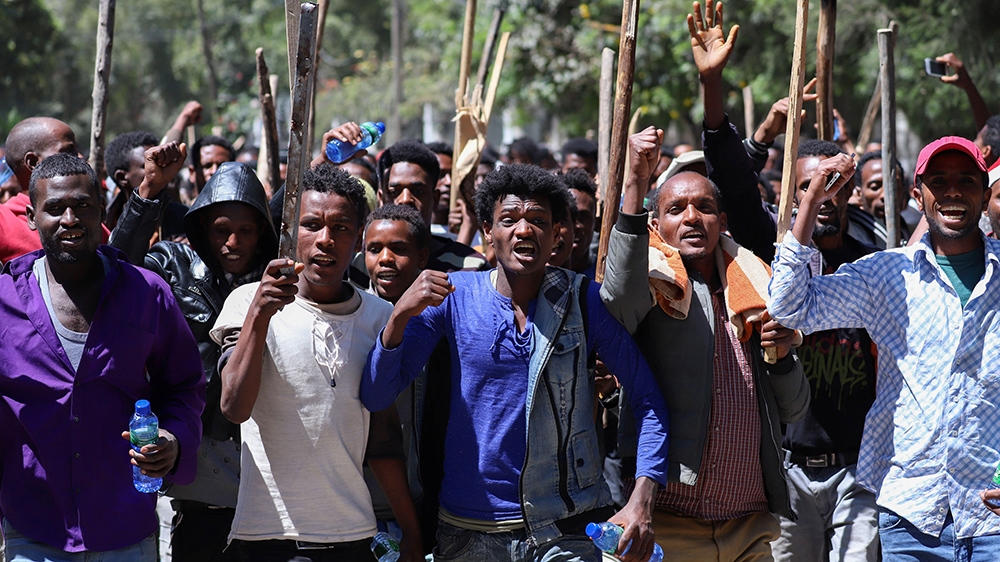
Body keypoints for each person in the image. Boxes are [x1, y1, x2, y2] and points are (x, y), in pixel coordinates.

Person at [362, 163, 670, 562]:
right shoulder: (454, 297)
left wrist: (642, 500)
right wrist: (401, 314)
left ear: (557, 232)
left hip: (565, 528)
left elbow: (647, 399)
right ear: (488, 231)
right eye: (509, 219)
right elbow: (376, 394)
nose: (524, 230)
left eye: (538, 220)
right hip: (467, 534)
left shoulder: (583, 301)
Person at [769, 136, 1000, 560]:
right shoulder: (887, 275)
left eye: (966, 181)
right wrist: (813, 196)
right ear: (918, 196)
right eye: (938, 181)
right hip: (912, 517)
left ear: (985, 197)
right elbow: (789, 305)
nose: (952, 192)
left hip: (992, 521)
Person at [604, 115, 808, 560]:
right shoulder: (652, 287)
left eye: (705, 207)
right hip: (667, 525)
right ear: (655, 226)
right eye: (676, 209)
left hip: (749, 526)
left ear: (723, 220)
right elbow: (617, 300)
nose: (692, 218)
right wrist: (636, 186)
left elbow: (793, 409)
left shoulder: (757, 290)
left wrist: (782, 353)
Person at [0, 152, 205, 560]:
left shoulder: (146, 292)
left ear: (100, 211)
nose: (70, 219)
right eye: (55, 208)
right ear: (31, 218)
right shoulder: (4, 299)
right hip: (35, 530)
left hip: (125, 526)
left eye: (83, 206)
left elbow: (183, 385)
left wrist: (175, 439)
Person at [212, 164, 421, 561]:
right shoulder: (246, 302)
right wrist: (260, 314)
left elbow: (383, 439)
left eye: (341, 228)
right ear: (291, 234)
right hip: (269, 535)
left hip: (353, 536)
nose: (326, 240)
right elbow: (234, 407)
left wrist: (410, 532)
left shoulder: (378, 316)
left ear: (358, 237)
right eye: (311, 225)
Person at [108, 156, 279, 561]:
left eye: (246, 231)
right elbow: (115, 269)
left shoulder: (277, 278)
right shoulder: (172, 263)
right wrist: (149, 191)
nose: (233, 243)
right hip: (196, 451)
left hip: (264, 448)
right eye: (222, 230)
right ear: (202, 226)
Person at [760, 139, 881, 562]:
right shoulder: (772, 271)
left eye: (832, 183)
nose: (823, 195)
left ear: (850, 189)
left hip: (858, 468)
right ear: (792, 195)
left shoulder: (872, 267)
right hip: (790, 470)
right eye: (810, 186)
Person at [1, 117, 81, 264]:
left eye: (76, 150)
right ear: (32, 163)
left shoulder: (86, 216)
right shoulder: (4, 221)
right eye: (68, 152)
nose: (80, 157)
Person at [104, 131, 160, 230]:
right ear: (122, 177)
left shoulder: (179, 216)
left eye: (159, 163)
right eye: (147, 166)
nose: (158, 170)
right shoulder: (106, 226)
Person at [563, 168, 597, 278]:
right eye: (567, 217)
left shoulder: (607, 277)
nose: (575, 226)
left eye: (583, 217)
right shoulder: (538, 278)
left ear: (595, 222)